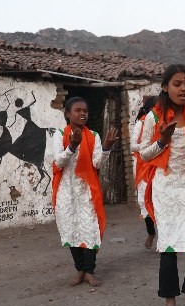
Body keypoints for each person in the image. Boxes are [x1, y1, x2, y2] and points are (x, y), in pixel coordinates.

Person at [138, 64, 185, 306]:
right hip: (166, 185)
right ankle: (169, 299)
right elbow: (144, 154)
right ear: (165, 87)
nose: (183, 89)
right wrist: (162, 141)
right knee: (168, 245)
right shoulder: (154, 118)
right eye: (177, 84)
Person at [51, 96, 119, 287]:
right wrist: (72, 146)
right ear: (67, 114)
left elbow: (97, 163)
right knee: (71, 230)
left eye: (85, 111)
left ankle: (89, 271)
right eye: (78, 110)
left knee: (90, 231)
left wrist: (106, 147)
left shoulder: (94, 135)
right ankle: (79, 269)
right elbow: (58, 163)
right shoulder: (58, 135)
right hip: (66, 191)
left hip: (87, 191)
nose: (82, 114)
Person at [129, 95, 158, 249]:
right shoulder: (141, 124)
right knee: (145, 202)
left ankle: (167, 236)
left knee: (162, 201)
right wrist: (150, 146)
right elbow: (133, 146)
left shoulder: (165, 122)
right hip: (144, 167)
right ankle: (151, 233)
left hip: (160, 167)